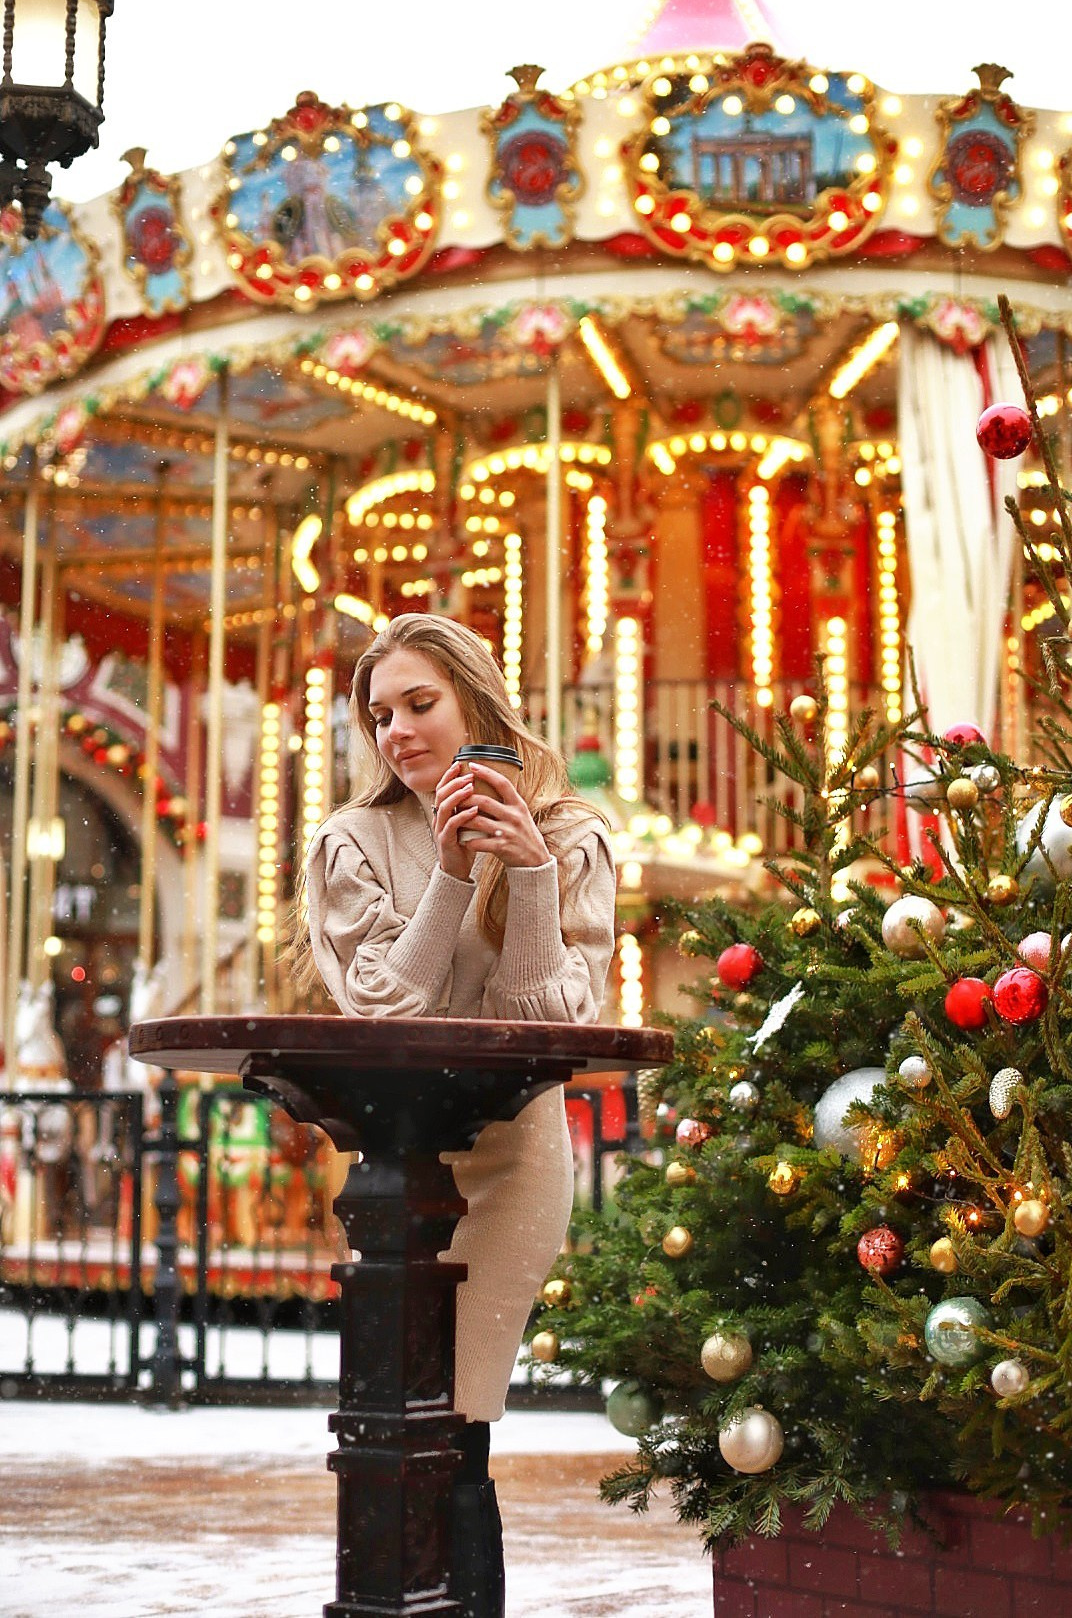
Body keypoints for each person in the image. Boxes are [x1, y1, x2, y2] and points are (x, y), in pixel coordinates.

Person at [296, 612, 616, 1617]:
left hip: (515, 1162)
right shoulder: (351, 841)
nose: (397, 733)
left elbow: (549, 1018)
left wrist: (526, 873)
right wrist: (450, 869)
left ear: (477, 701)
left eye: (419, 704)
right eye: (379, 714)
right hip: (398, 1171)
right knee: (397, 1423)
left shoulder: (570, 833)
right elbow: (391, 1003)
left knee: (463, 1426)